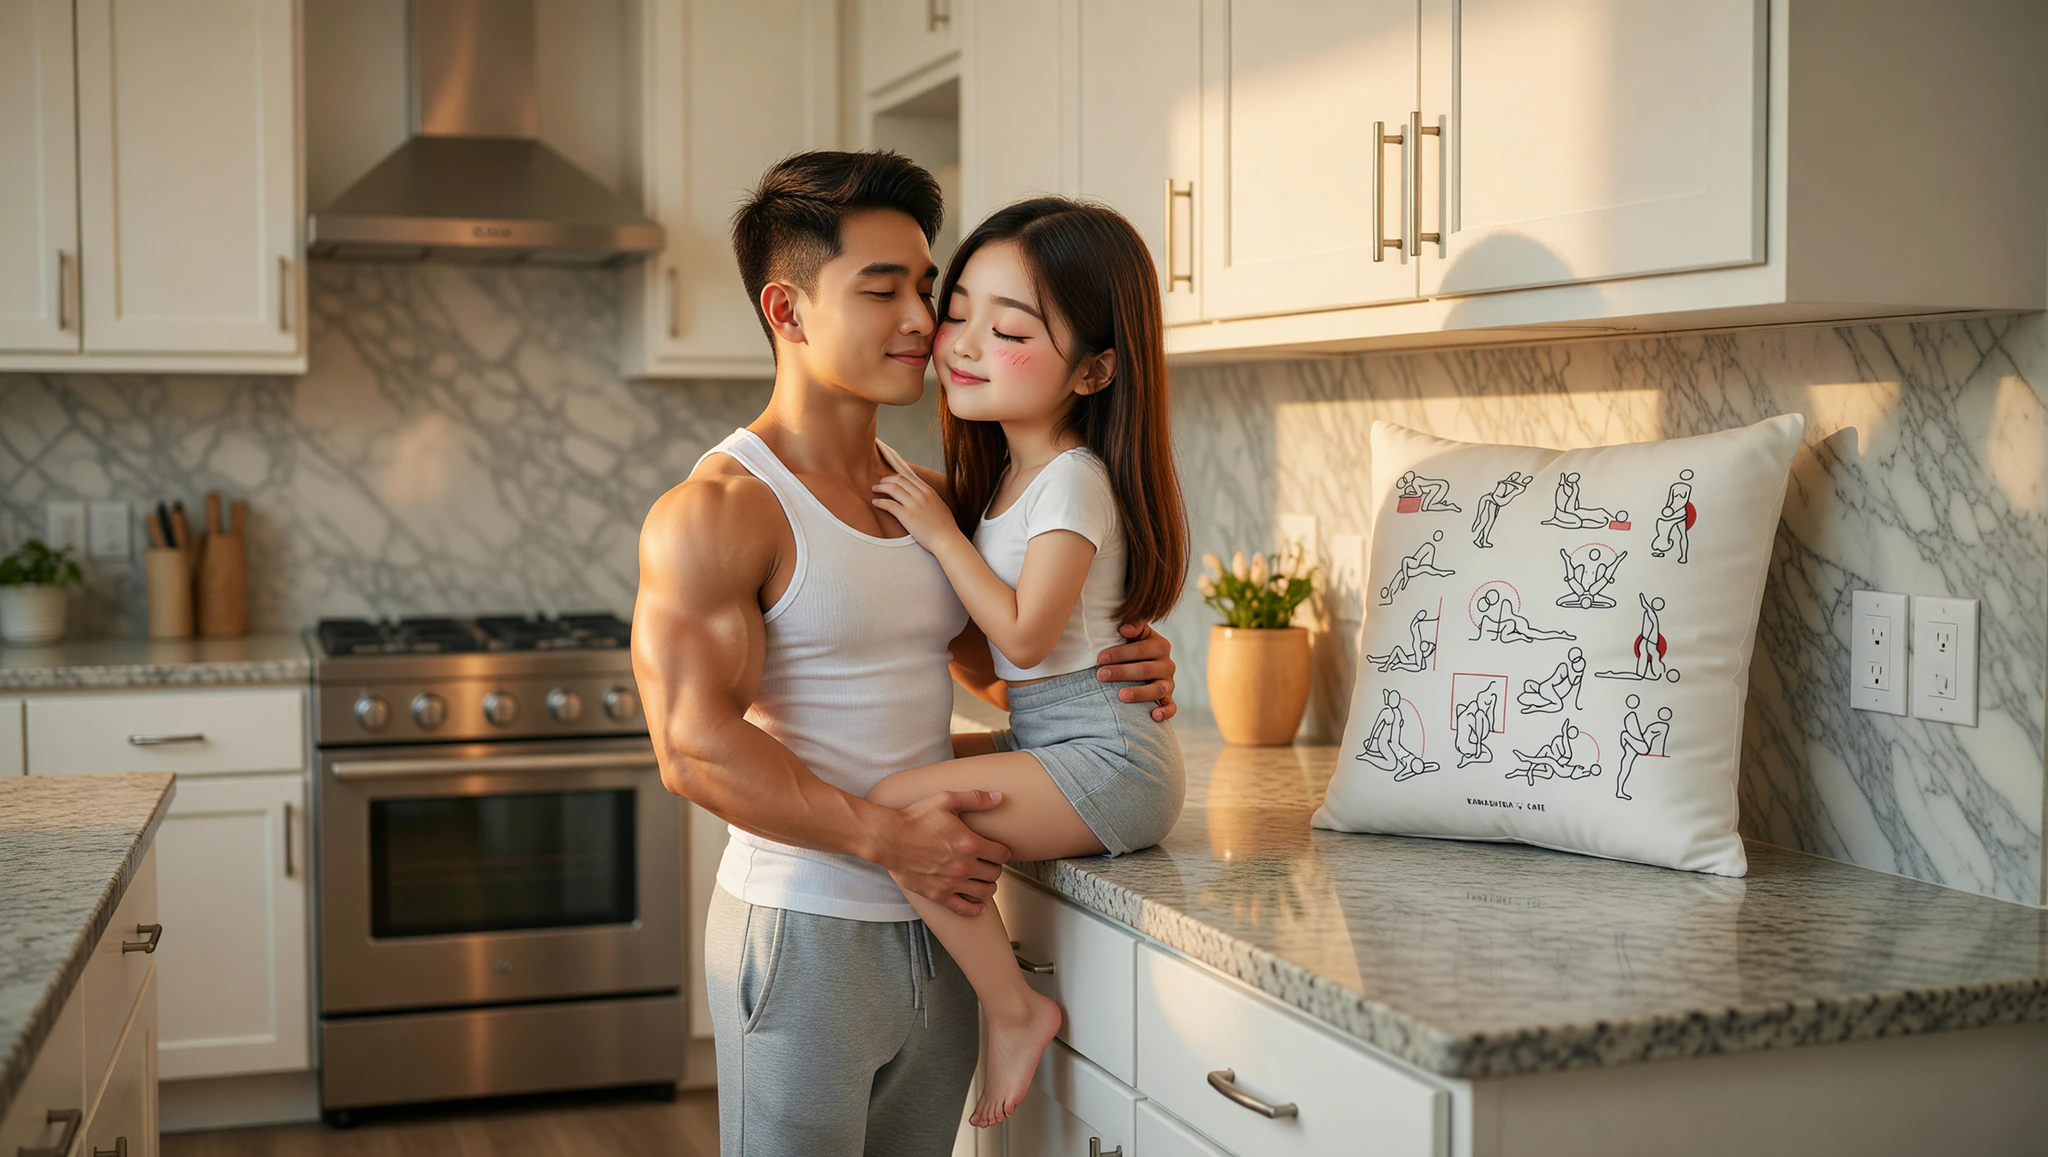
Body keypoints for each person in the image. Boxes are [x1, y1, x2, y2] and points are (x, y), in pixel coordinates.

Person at [631, 153, 1179, 1157]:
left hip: (945, 924)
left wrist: (1128, 661)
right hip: (807, 930)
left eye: (926, 287)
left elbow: (1001, 655)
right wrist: (890, 839)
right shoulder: (717, 509)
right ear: (787, 310)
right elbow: (693, 747)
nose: (925, 322)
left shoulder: (925, 497)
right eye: (882, 289)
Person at [862, 197, 1190, 1128]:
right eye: (957, 311)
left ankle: (1013, 1008)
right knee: (886, 782)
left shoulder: (1075, 480)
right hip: (1065, 735)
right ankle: (1005, 999)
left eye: (1004, 328)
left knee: (895, 805)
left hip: (1112, 763)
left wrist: (934, 532)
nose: (960, 343)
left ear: (1095, 369)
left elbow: (1026, 639)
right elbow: (1009, 664)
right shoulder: (1006, 477)